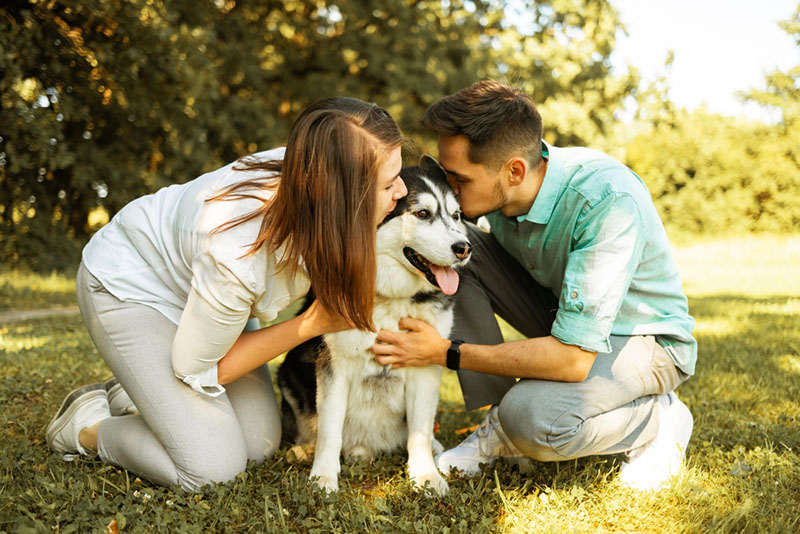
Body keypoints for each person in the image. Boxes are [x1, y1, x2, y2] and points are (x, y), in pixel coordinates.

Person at [45, 97, 408, 491]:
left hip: (211, 301)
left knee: (259, 443)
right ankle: (86, 427)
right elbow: (198, 368)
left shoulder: (319, 170)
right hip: (131, 287)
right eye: (389, 184)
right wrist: (313, 323)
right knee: (213, 469)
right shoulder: (236, 254)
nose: (402, 190)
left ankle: (142, 392)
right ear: (339, 198)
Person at [371, 80, 696, 491]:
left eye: (457, 178)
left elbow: (573, 360)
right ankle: (499, 421)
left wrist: (447, 353)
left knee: (535, 420)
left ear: (514, 171)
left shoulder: (605, 200)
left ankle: (655, 418)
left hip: (645, 340)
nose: (447, 188)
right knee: (454, 255)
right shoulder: (501, 196)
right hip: (569, 320)